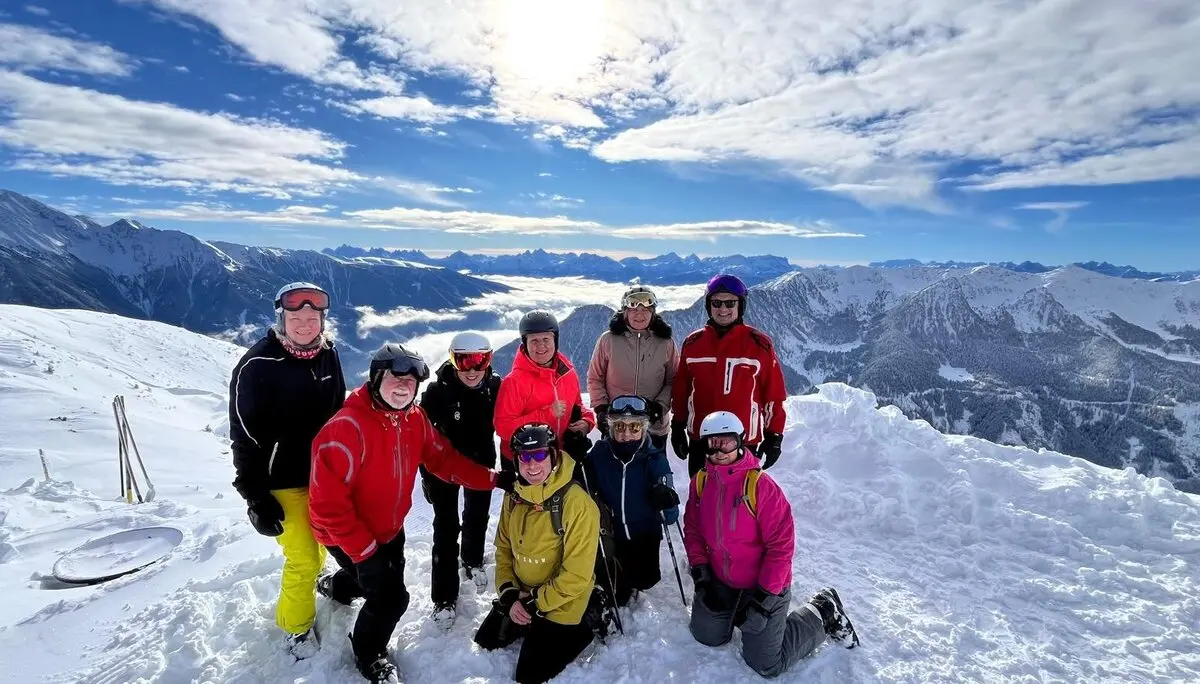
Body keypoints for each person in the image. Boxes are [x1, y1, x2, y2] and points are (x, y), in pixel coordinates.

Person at [309, 343, 518, 683]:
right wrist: (364, 553)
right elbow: (328, 508)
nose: (404, 386)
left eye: (411, 380)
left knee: (376, 579)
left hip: (389, 528)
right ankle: (369, 653)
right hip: (346, 534)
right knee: (391, 597)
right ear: (376, 378)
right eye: (396, 377)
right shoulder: (345, 430)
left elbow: (444, 460)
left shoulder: (412, 419)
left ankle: (337, 587)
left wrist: (493, 479)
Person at [684, 411, 860, 678]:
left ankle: (823, 611)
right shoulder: (701, 481)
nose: (720, 451)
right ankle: (735, 607)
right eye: (713, 443)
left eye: (727, 442)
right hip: (722, 579)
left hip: (764, 586)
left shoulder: (760, 487)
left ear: (741, 442)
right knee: (706, 635)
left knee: (766, 664)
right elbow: (694, 530)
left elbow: (781, 548)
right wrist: (702, 575)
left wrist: (764, 600)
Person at [228, 281, 346, 658]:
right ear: (282, 317)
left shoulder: (329, 354)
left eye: (313, 317)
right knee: (302, 557)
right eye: (297, 316)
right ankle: (295, 630)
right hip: (280, 481)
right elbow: (244, 436)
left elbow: (339, 414)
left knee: (328, 537)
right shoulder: (257, 365)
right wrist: (255, 497)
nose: (306, 323)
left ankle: (319, 581)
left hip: (324, 475)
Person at [474, 423, 599, 684]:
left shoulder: (576, 503)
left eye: (540, 454)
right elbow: (504, 549)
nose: (532, 465)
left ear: (553, 455)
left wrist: (533, 602)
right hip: (522, 591)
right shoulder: (515, 496)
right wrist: (509, 593)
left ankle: (588, 619)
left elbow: (576, 575)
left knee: (529, 674)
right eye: (525, 457)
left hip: (562, 599)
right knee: (486, 640)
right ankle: (532, 622)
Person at [418, 331, 503, 629]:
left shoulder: (495, 387)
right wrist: (425, 476)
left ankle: (471, 559)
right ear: (453, 360)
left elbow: (511, 420)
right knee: (445, 526)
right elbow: (421, 439)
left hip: (481, 463)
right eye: (463, 360)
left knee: (477, 516)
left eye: (479, 360)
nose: (471, 369)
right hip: (442, 469)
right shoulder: (436, 393)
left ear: (489, 360)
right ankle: (443, 598)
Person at [671, 274, 788, 478]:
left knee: (741, 502)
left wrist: (774, 435)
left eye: (729, 303)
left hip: (744, 440)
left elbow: (773, 396)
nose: (723, 309)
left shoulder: (759, 345)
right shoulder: (694, 344)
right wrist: (678, 426)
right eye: (716, 303)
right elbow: (682, 391)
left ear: (740, 305)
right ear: (708, 306)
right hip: (702, 439)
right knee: (702, 499)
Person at [580, 395, 680, 606]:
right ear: (611, 428)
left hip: (643, 533)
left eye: (634, 427)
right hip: (611, 533)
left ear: (644, 429)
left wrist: (667, 500)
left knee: (645, 580)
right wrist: (577, 459)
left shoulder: (655, 460)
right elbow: (580, 483)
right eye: (620, 427)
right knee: (612, 588)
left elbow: (671, 518)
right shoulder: (600, 455)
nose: (626, 434)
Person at [494, 310, 595, 466]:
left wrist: (587, 421)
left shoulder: (567, 373)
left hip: (560, 455)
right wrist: (547, 414)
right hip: (525, 461)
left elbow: (578, 406)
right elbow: (503, 428)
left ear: (555, 340)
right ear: (525, 344)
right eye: (534, 340)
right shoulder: (514, 382)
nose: (541, 346)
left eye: (546, 339)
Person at [587, 286, 678, 451]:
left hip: (653, 425)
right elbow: (595, 377)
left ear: (653, 312)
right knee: (615, 473)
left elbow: (673, 380)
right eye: (633, 309)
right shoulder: (608, 340)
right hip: (617, 425)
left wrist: (659, 407)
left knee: (653, 473)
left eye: (645, 309)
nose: (639, 314)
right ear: (625, 312)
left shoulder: (665, 342)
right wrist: (601, 408)